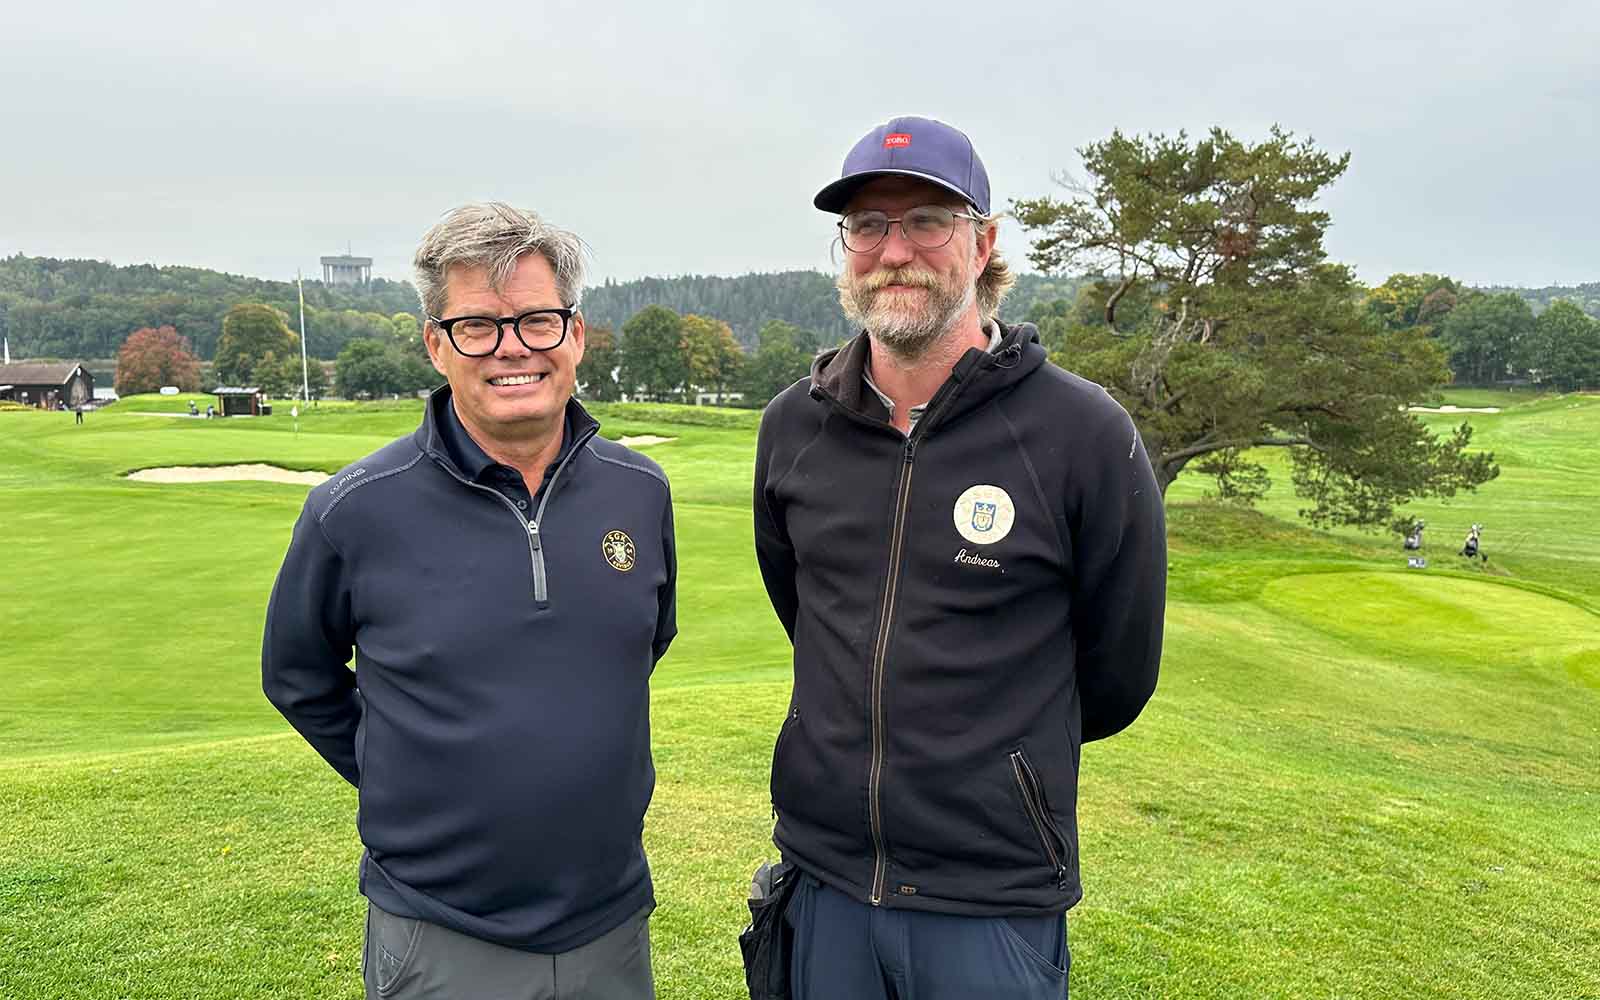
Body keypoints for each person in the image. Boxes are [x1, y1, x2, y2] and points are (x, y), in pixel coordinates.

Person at [752, 116, 1167, 998]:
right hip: (824, 881)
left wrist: (996, 770)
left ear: (982, 243)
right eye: (867, 225)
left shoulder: (1083, 433)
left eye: (926, 221)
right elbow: (803, 611)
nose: (893, 250)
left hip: (990, 896)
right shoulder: (793, 427)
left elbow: (1118, 673)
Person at [263, 203, 676, 999]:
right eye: (478, 327)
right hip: (441, 931)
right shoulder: (354, 510)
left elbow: (640, 645)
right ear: (436, 345)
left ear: (577, 334)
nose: (513, 348)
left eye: (537, 321)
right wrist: (406, 778)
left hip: (612, 922)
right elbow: (298, 677)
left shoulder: (639, 493)